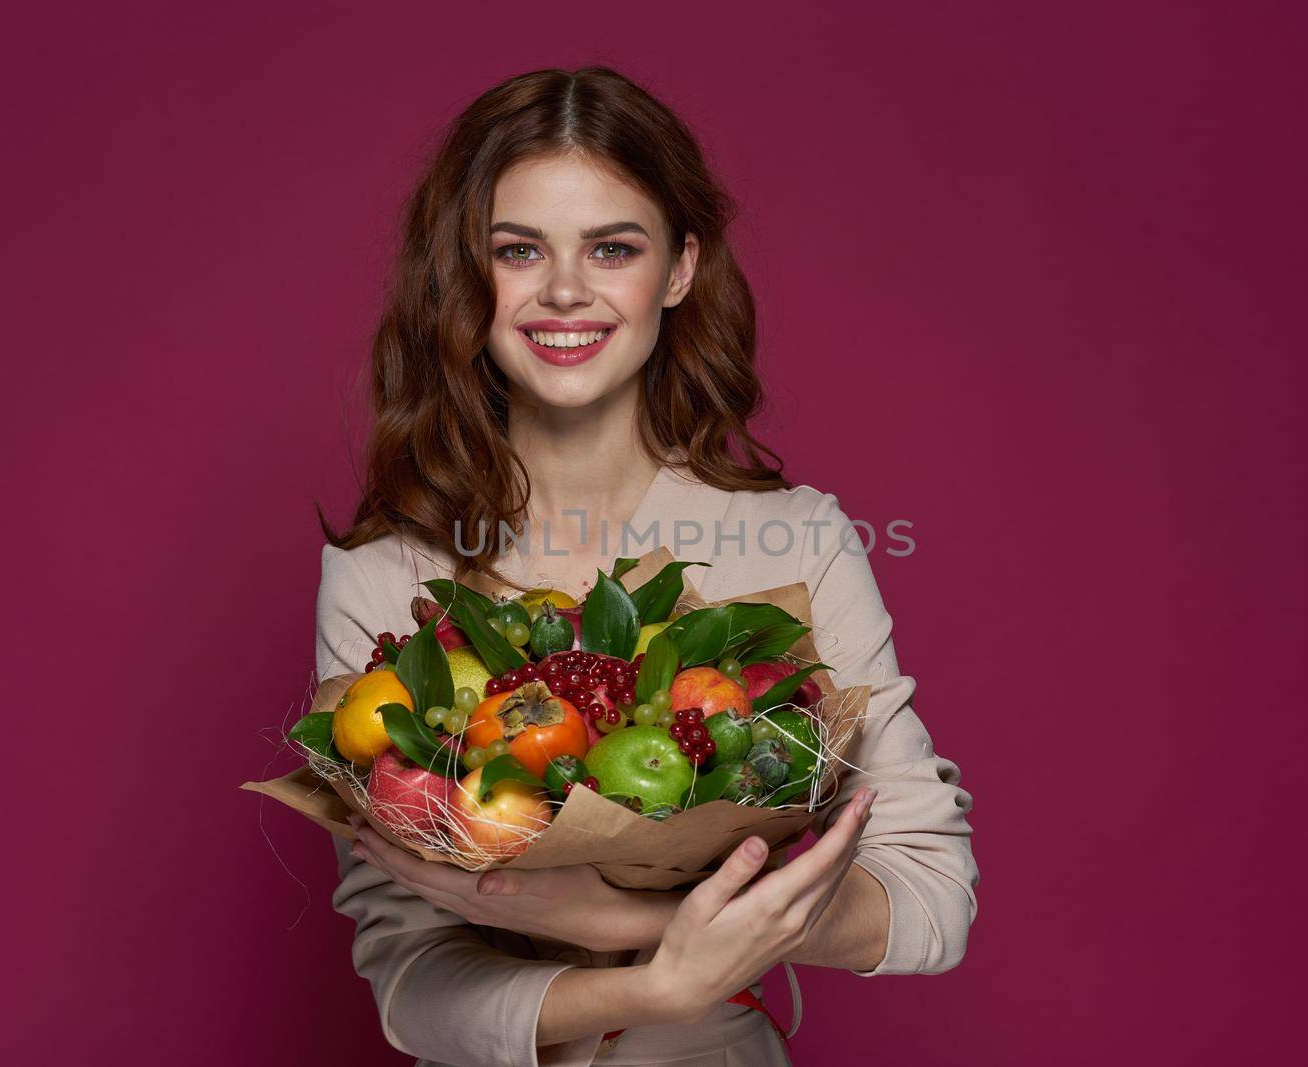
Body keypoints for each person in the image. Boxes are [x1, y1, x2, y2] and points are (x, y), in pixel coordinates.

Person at [315, 67, 978, 1067]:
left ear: (677, 269)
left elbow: (932, 894)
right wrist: (648, 978)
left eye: (612, 247)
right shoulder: (385, 566)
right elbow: (407, 974)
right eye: (518, 250)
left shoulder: (793, 538)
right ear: (465, 275)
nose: (566, 290)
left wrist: (640, 911)